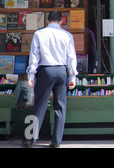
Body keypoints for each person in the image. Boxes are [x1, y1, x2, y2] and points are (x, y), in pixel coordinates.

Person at [24, 11, 78, 148]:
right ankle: (56, 141)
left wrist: (31, 75)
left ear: (47, 21)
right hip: (61, 71)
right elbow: (71, 57)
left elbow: (34, 57)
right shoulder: (67, 35)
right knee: (60, 107)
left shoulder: (39, 34)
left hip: (45, 71)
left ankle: (30, 140)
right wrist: (72, 76)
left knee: (39, 105)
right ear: (61, 21)